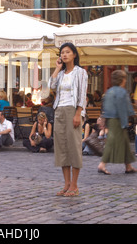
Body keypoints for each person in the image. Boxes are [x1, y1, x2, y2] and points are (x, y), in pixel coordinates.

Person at [49, 42, 88, 197]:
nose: (64, 55)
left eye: (67, 52)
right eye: (62, 52)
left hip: (73, 109)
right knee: (62, 147)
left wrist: (79, 113)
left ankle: (74, 185)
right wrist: (57, 68)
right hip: (59, 110)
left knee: (74, 146)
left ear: (74, 54)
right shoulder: (61, 73)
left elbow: (82, 94)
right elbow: (51, 86)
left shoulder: (80, 72)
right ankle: (66, 184)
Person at [97, 70, 137, 175]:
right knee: (111, 142)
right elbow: (127, 107)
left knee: (124, 142)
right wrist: (136, 115)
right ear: (123, 80)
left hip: (110, 119)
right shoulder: (122, 92)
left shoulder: (108, 92)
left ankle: (128, 166)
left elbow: (105, 107)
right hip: (118, 120)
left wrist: (104, 119)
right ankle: (102, 164)